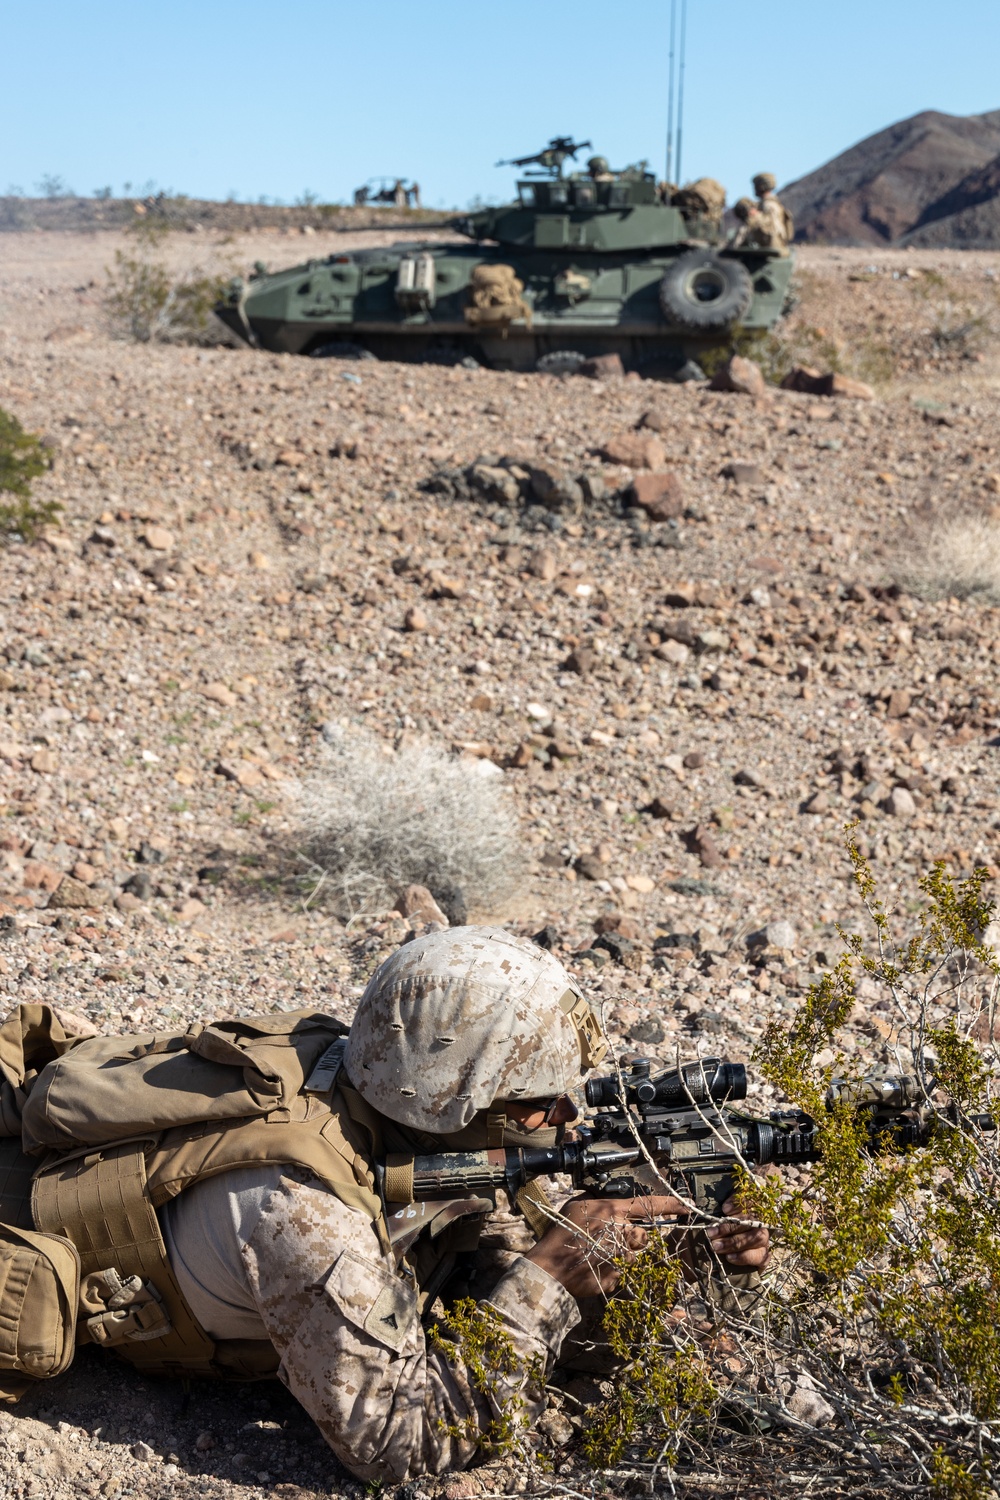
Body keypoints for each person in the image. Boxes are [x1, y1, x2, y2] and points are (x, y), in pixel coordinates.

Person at [0, 929, 769, 1483]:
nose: (563, 1120)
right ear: (453, 1098)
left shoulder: (375, 1081)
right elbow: (402, 1443)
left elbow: (470, 1260)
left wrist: (670, 1259)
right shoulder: (301, 1213)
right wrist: (549, 1281)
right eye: (539, 1103)